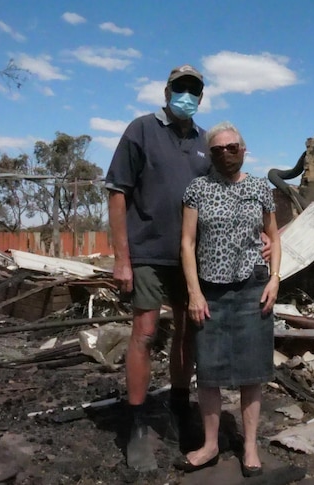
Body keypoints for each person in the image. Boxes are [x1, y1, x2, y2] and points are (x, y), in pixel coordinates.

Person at [105, 64, 210, 472]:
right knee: (145, 333)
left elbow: (221, 195)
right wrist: (121, 258)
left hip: (191, 258)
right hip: (147, 252)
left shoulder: (205, 142)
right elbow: (117, 194)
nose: (187, 95)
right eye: (180, 88)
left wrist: (262, 232)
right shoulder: (141, 130)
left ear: (200, 97)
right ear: (167, 91)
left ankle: (181, 410)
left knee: (187, 335)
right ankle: (136, 425)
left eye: (194, 90)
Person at [176, 121, 282, 478]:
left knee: (253, 372)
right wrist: (194, 292)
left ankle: (250, 446)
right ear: (210, 154)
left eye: (231, 147)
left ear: (243, 149)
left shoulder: (259, 189)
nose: (225, 154)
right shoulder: (197, 190)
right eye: (217, 149)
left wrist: (275, 279)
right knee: (209, 372)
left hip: (253, 287)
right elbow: (187, 243)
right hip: (211, 291)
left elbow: (274, 237)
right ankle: (210, 445)